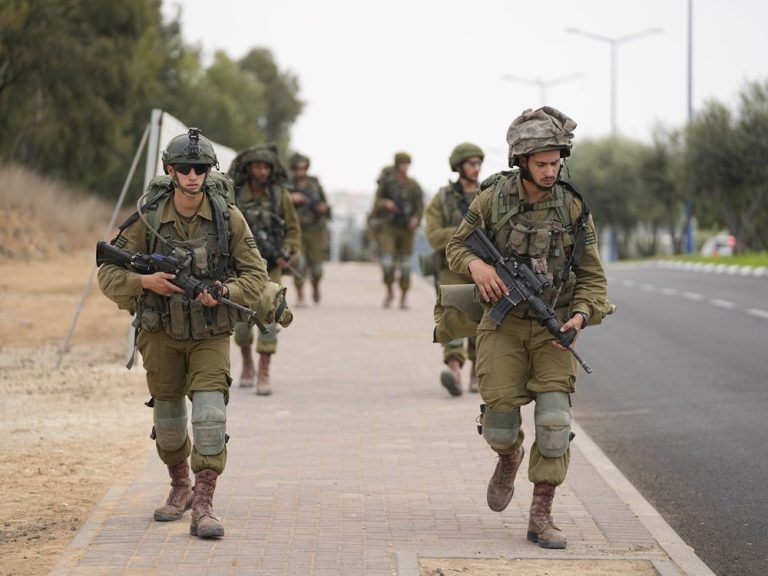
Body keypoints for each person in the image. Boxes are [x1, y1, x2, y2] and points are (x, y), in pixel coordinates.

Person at [445, 107, 608, 549]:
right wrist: (477, 265)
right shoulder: (492, 200)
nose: (551, 171)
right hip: (504, 326)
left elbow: (593, 277)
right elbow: (456, 246)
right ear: (521, 161)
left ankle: (541, 515)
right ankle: (509, 455)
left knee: (555, 424)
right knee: (499, 423)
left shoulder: (573, 207)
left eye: (556, 163)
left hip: (554, 327)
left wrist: (581, 316)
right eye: (542, 164)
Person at [97, 128, 269, 539]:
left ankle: (205, 506)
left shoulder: (228, 218)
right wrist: (146, 283)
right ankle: (180, 487)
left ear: (210, 173)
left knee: (210, 416)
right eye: (185, 169)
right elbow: (107, 271)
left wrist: (225, 291)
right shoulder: (149, 216)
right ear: (170, 171)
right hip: (161, 333)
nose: (193, 176)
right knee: (170, 421)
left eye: (201, 169)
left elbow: (257, 276)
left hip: (210, 333)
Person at [228, 143, 301, 395]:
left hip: (271, 267)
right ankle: (247, 363)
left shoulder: (280, 196)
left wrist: (288, 252)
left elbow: (293, 230)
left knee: (269, 316)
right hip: (239, 266)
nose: (261, 171)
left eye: (265, 167)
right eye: (257, 166)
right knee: (240, 319)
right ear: (249, 168)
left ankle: (264, 368)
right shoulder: (234, 194)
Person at [425, 143, 484, 396]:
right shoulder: (443, 198)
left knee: (485, 320)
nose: (476, 168)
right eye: (471, 163)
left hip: (484, 266)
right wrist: (463, 233)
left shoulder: (489, 194)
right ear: (459, 167)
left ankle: (477, 375)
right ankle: (454, 371)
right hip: (452, 266)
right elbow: (433, 235)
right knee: (453, 315)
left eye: (478, 163)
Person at [370, 151, 424, 308]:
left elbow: (419, 207)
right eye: (402, 164)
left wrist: (416, 219)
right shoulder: (387, 184)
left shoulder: (413, 185)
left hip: (407, 229)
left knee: (406, 266)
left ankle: (404, 297)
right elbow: (377, 202)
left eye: (407, 164)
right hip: (389, 226)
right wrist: (386, 203)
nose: (405, 167)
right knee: (387, 263)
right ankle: (389, 291)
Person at [288, 152, 331, 306]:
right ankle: (300, 295)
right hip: (295, 230)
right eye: (298, 168)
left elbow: (325, 204)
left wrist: (322, 208)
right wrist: (291, 198)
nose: (301, 172)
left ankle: (315, 284)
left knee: (317, 268)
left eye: (303, 168)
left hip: (316, 230)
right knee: (299, 263)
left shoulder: (315, 184)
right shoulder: (287, 185)